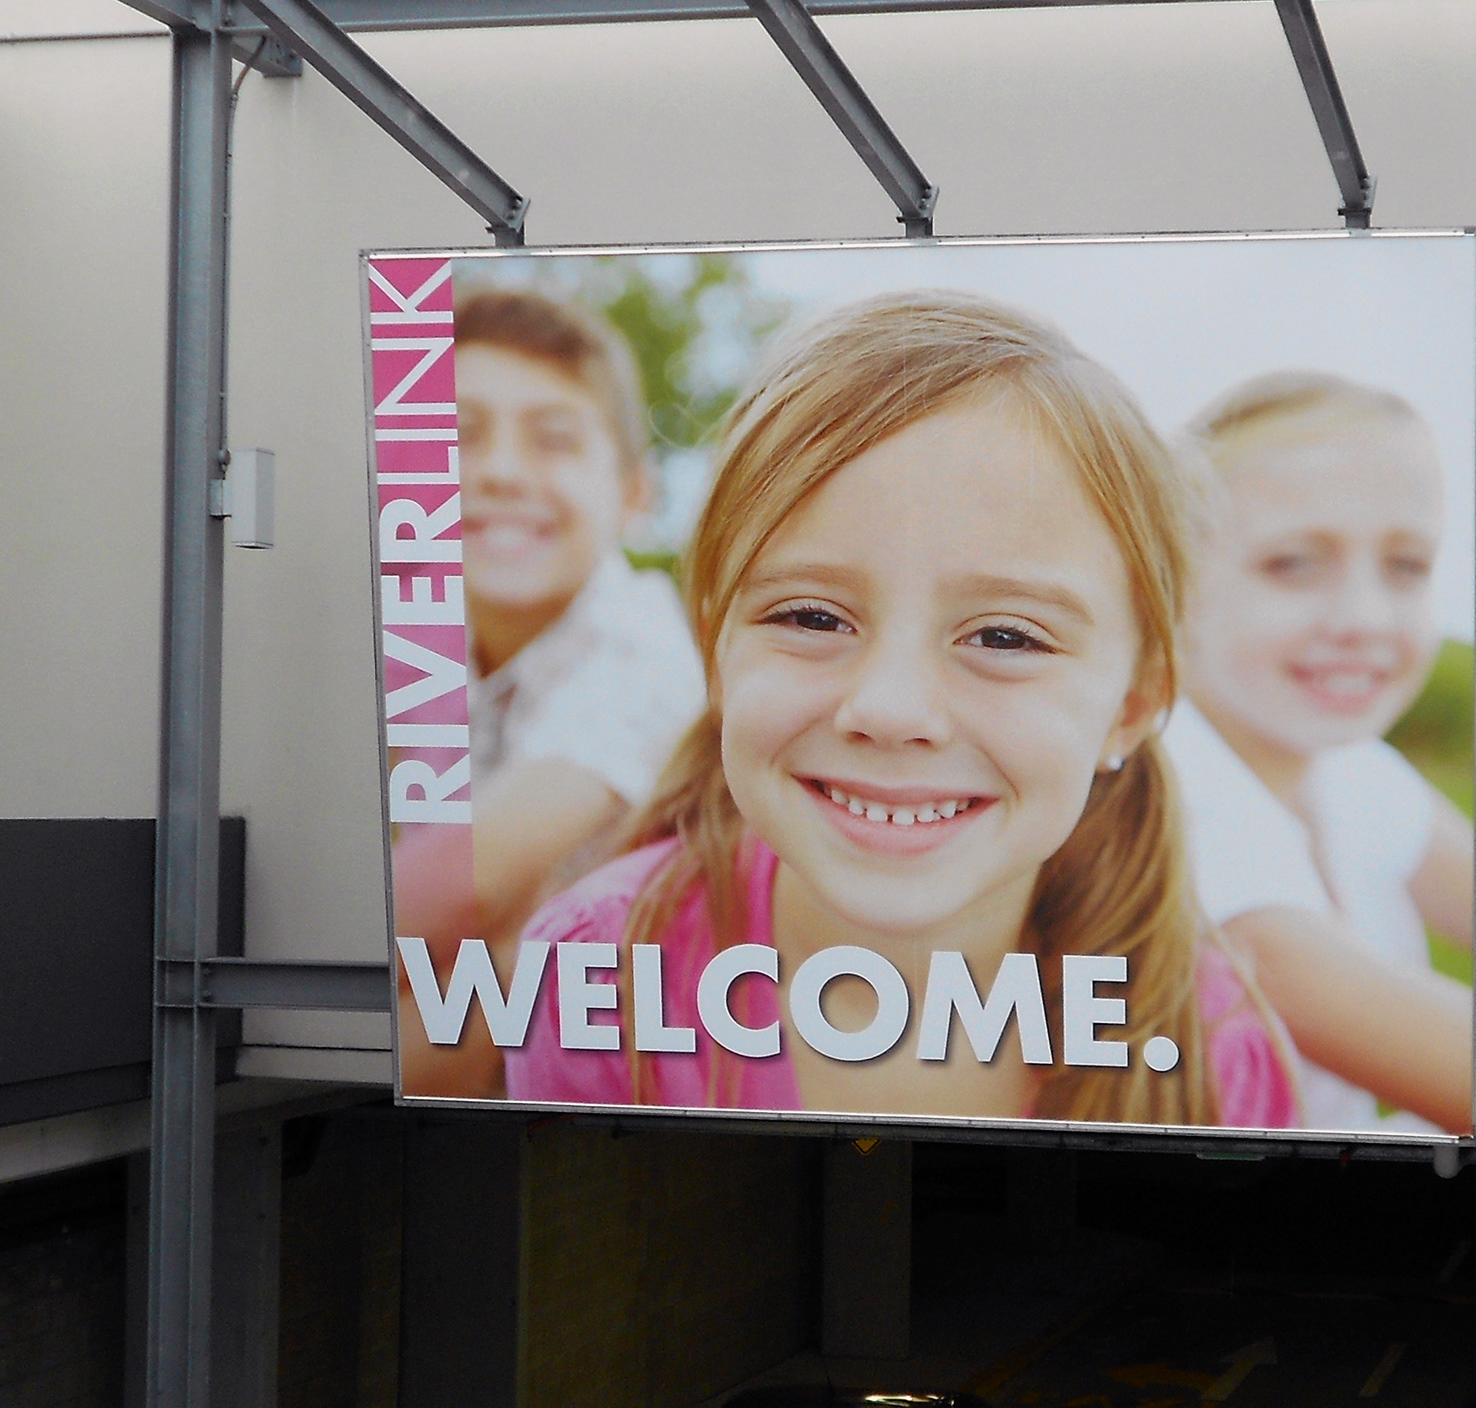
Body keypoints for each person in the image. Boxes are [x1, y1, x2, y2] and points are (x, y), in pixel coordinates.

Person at [505, 292, 1300, 1130]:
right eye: (811, 618)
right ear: (718, 651)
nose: (890, 709)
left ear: (1132, 708)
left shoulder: (1215, 1053)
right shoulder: (597, 973)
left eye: (1004, 635)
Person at [394, 288, 705, 1096]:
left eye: (554, 439)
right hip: (475, 1015)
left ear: (635, 495)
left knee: (510, 963)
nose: (497, 471)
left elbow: (464, 882)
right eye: (458, 436)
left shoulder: (645, 650)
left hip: (636, 1047)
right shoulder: (422, 634)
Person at [1165, 372, 1475, 1134]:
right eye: (1294, 564)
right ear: (1176, 579)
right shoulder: (1175, 800)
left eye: (1406, 566)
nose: (1365, 617)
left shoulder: (1347, 767)